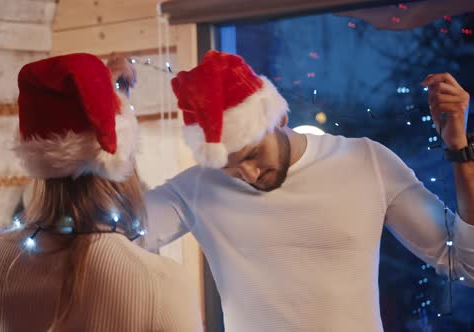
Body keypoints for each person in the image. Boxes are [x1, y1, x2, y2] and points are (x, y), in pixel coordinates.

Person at [138, 51, 474, 331]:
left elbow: (465, 264)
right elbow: (114, 232)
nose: (248, 174)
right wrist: (110, 114)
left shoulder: (365, 161)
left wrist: (459, 150)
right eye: (229, 166)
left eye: (253, 154)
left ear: (280, 119)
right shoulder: (198, 186)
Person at [0, 53, 202, 332]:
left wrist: (102, 93)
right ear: (122, 157)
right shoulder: (165, 285)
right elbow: (120, 264)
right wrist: (109, 103)